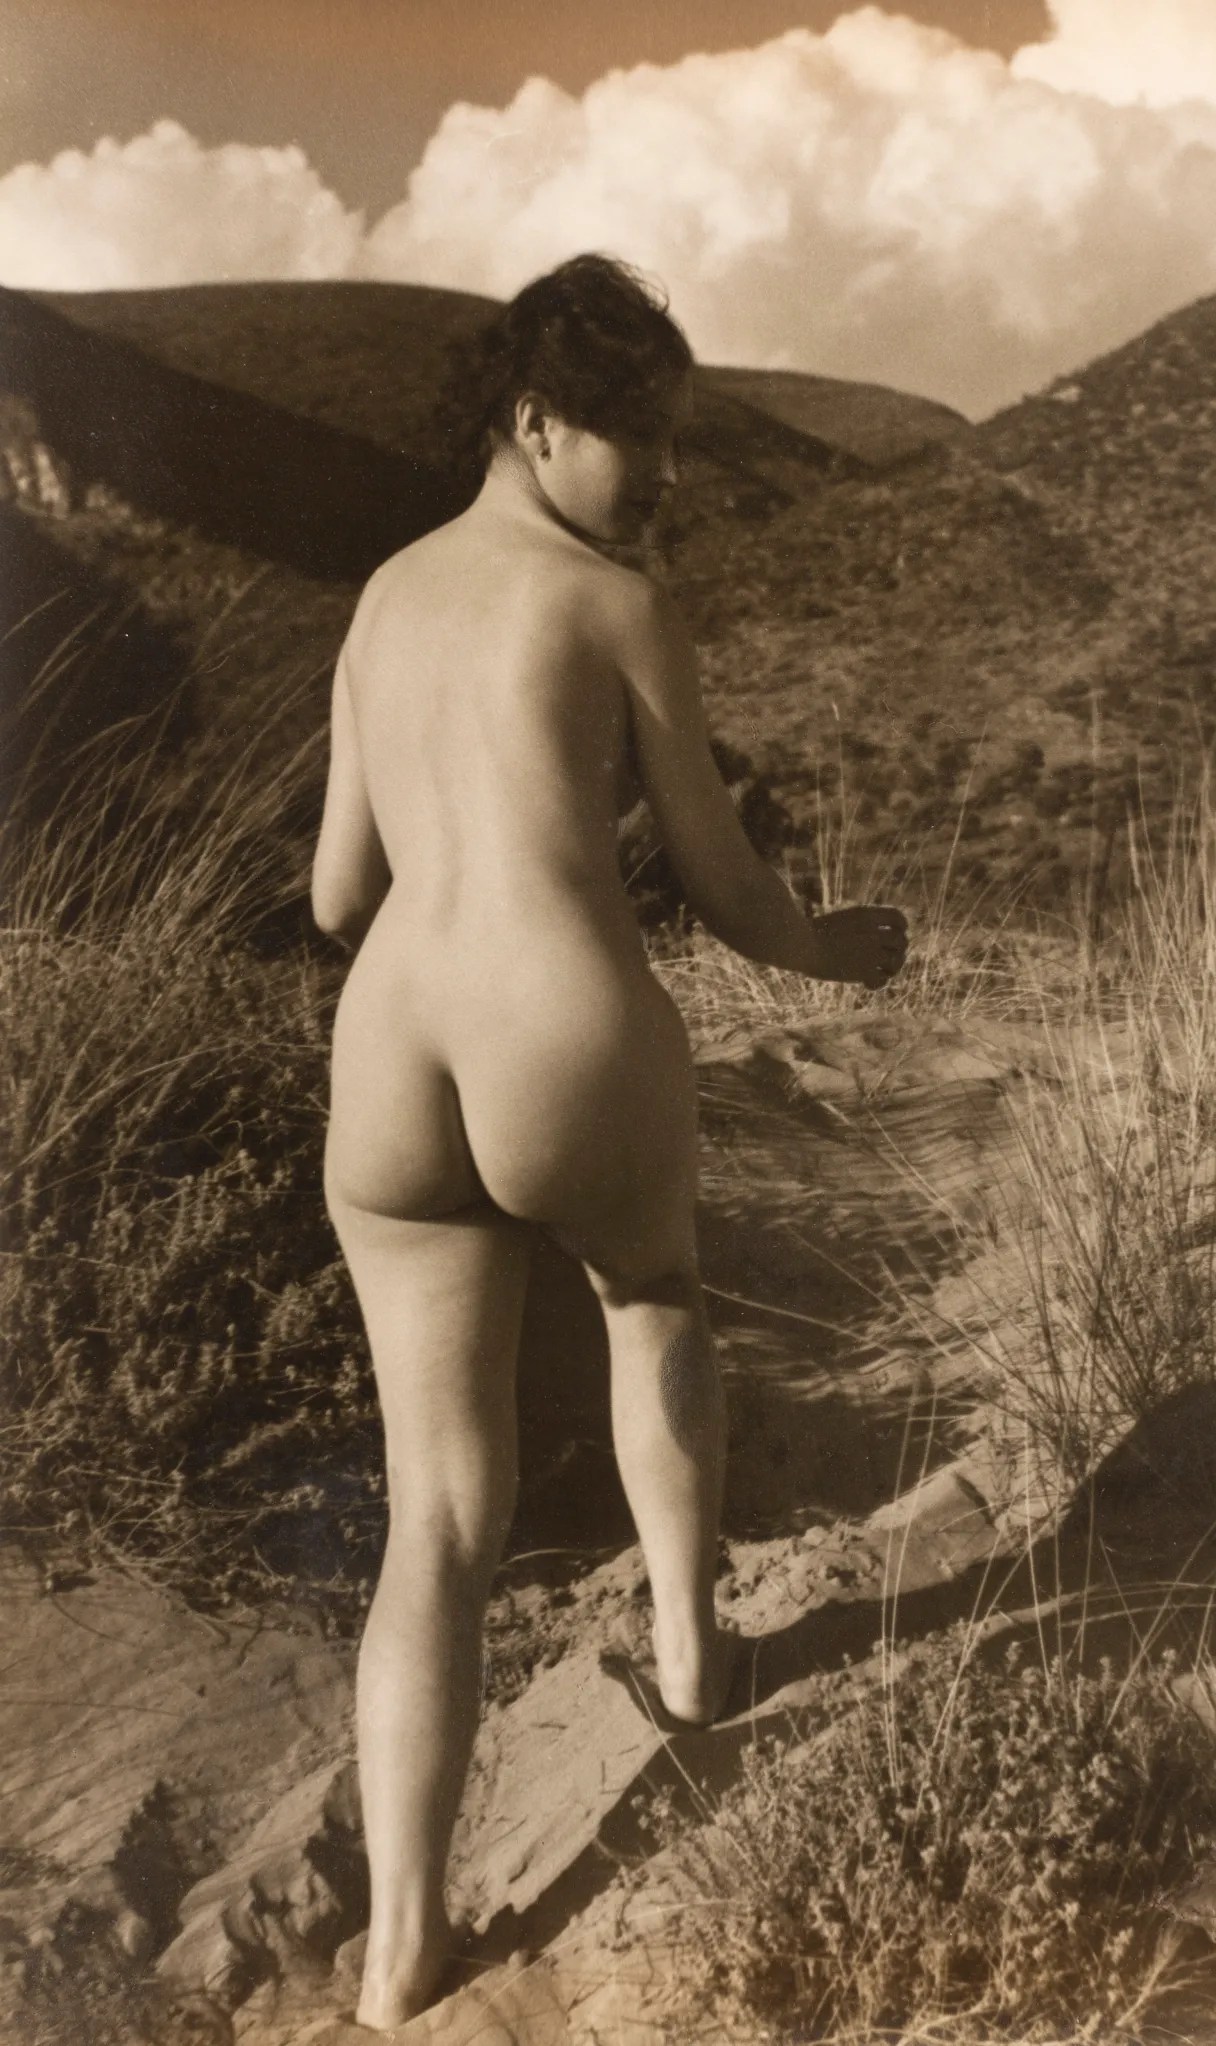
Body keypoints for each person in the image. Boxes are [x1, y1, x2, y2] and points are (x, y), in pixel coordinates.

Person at [310, 252, 908, 2031]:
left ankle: (401, 1946)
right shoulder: (613, 600)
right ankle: (692, 1657)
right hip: (555, 1017)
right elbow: (722, 882)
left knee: (436, 1511)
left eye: (670, 432)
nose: (662, 471)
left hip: (391, 1043)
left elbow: (335, 893)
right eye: (635, 430)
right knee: (654, 1303)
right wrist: (836, 948)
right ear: (535, 419)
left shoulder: (381, 599)